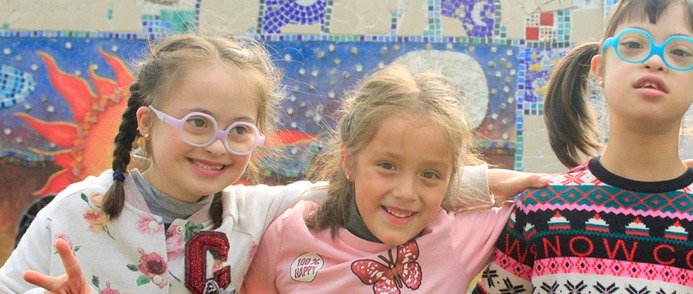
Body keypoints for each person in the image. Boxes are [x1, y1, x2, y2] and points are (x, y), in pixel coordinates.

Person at [0, 35, 541, 293]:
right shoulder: (74, 213)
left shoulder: (257, 212)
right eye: (197, 123)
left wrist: (519, 183)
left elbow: (373, 184)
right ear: (146, 121)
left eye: (238, 130)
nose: (217, 147)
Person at [474, 0, 693, 293]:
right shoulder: (540, 210)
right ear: (599, 69)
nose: (655, 61)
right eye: (633, 44)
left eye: (679, 51)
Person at [242, 64, 516, 293]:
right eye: (387, 166)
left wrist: (521, 182)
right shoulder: (290, 235)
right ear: (349, 162)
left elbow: (540, 206)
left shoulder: (455, 239)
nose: (406, 192)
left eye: (430, 174)